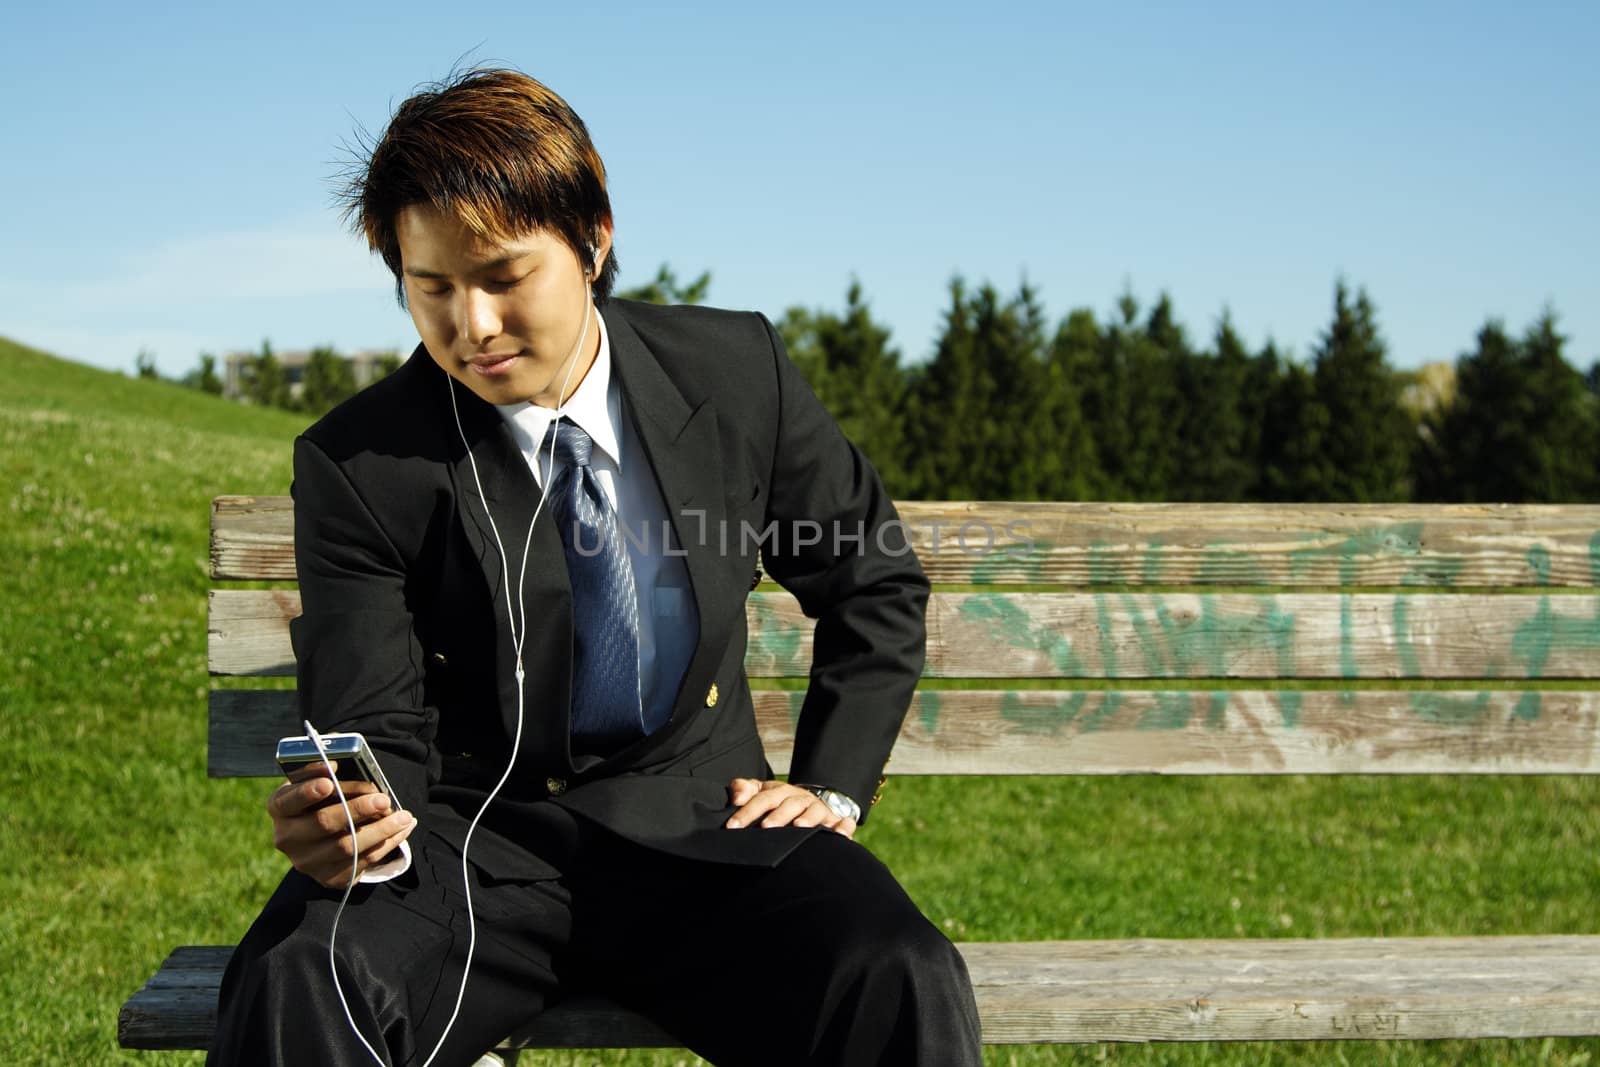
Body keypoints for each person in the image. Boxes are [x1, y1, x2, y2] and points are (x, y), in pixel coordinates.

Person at [208, 67, 982, 1067]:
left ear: (592, 237)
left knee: (892, 969)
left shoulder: (735, 372)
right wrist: (358, 817)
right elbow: (377, 716)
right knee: (301, 979)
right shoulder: (359, 461)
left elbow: (869, 576)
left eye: (500, 276)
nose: (469, 326)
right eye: (430, 287)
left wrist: (829, 790)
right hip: (471, 845)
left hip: (707, 830)